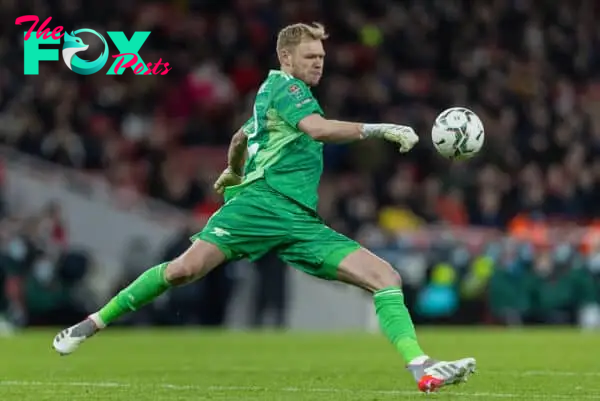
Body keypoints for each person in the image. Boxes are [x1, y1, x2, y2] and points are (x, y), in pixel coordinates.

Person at [52, 22, 476, 393]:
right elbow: (318, 130)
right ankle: (91, 323)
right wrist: (378, 129)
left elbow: (239, 140)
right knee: (183, 270)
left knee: (385, 277)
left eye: (322, 56)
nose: (318, 63)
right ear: (285, 57)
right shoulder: (288, 89)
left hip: (298, 220)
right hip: (260, 206)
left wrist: (234, 171)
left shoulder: (273, 96)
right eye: (309, 56)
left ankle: (422, 369)